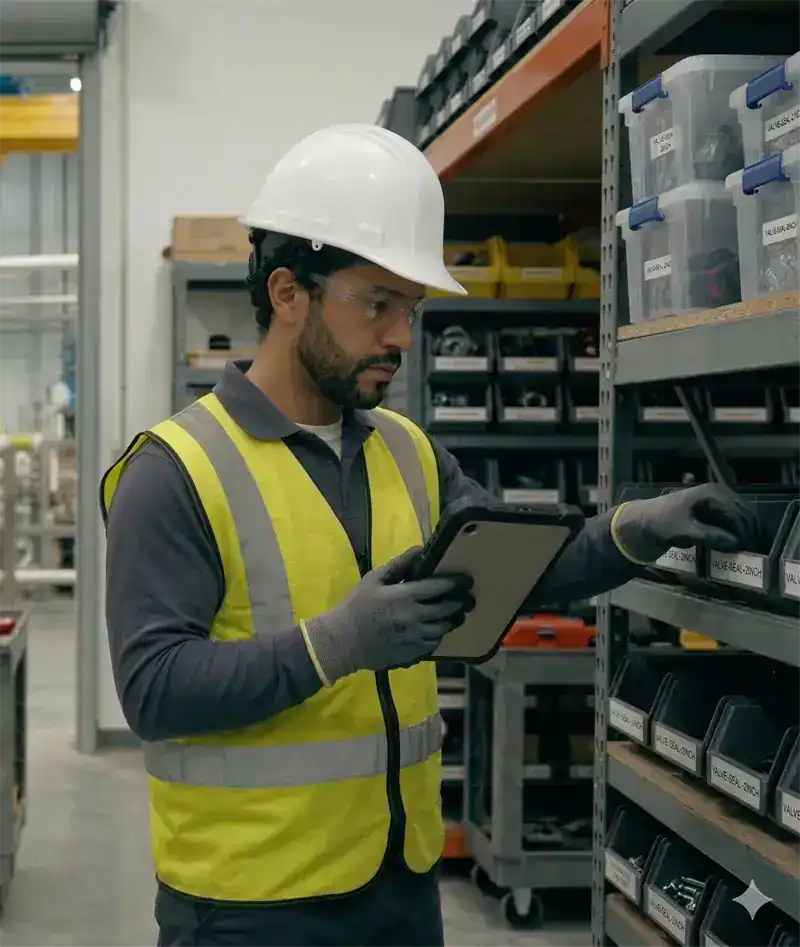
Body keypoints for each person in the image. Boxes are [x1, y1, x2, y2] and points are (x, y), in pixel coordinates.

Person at [101, 124, 757, 947]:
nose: (402, 339)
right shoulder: (175, 471)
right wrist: (335, 643)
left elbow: (522, 566)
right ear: (287, 292)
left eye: (410, 310)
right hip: (246, 907)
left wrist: (635, 526)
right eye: (377, 305)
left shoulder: (409, 454)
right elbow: (153, 689)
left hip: (399, 887)